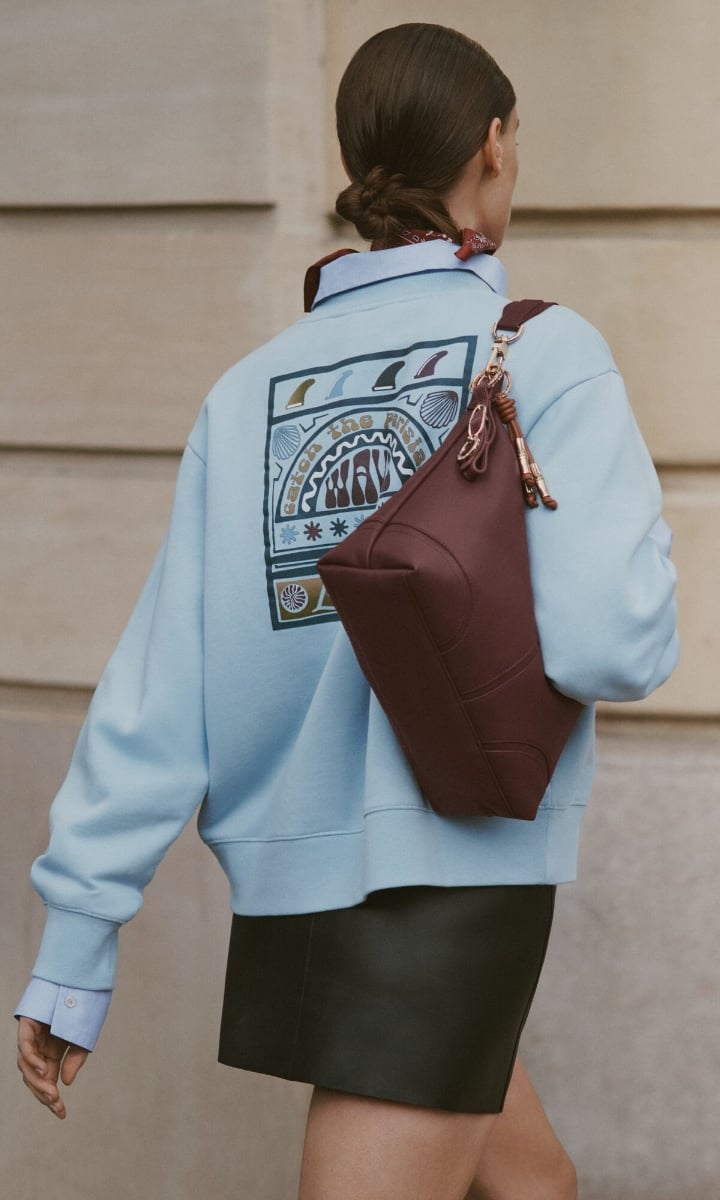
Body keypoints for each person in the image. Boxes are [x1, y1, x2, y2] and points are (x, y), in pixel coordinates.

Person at [15, 22, 677, 1200]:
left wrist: (76, 946)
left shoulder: (247, 391)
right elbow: (611, 645)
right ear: (492, 145)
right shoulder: (542, 352)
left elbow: (160, 693)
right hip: (455, 871)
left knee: (533, 1185)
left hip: (295, 878)